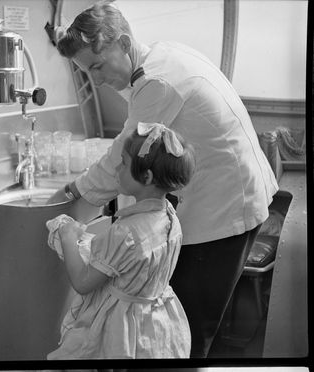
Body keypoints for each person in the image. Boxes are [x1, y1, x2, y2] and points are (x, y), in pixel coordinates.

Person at [49, 0, 279, 358]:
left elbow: (119, 158)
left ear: (123, 43)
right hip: (232, 194)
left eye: (97, 66)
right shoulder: (161, 56)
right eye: (86, 73)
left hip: (223, 209)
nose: (96, 80)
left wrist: (72, 193)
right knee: (199, 321)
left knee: (196, 326)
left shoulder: (157, 82)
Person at [47, 123, 196, 359]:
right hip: (155, 322)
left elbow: (83, 282)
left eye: (124, 163)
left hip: (122, 328)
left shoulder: (125, 232)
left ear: (146, 177)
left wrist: (67, 236)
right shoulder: (170, 217)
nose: (117, 167)